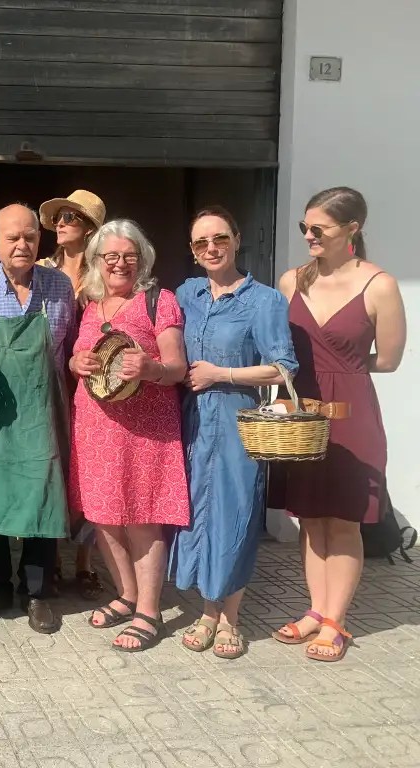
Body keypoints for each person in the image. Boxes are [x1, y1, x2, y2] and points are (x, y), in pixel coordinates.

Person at [271, 187, 405, 662]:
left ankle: (337, 622)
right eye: (304, 227)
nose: (308, 235)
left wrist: (341, 369)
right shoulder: (291, 281)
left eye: (318, 228)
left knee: (344, 520)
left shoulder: (380, 284)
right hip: (302, 414)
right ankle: (315, 610)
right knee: (309, 517)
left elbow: (388, 360)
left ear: (352, 229)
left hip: (352, 413)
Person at [170, 206, 298, 660]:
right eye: (200, 243)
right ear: (192, 250)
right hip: (191, 423)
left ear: (237, 239)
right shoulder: (187, 294)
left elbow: (283, 368)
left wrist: (221, 373)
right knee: (198, 514)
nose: (211, 248)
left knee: (235, 514)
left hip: (237, 422)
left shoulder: (264, 300)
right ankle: (207, 609)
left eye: (219, 238)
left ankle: (231, 617)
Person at [0, 204, 75, 634]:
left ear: (39, 241)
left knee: (42, 496)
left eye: (29, 236)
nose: (22, 244)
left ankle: (37, 592)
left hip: (42, 412)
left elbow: (71, 353)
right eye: (12, 238)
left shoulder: (61, 287)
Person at [69, 219, 189, 652]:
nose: (119, 263)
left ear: (142, 259)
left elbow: (176, 367)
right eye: (111, 256)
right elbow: (79, 357)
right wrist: (75, 364)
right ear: (97, 261)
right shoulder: (91, 304)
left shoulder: (159, 301)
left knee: (141, 517)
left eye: (129, 256)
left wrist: (152, 369)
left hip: (145, 429)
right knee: (102, 515)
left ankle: (149, 612)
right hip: (95, 425)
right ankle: (127, 594)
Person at [37, 189, 108, 600]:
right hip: (52, 381)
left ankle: (84, 563)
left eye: (71, 217)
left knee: (88, 469)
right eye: (59, 217)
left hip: (93, 383)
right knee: (56, 469)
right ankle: (54, 558)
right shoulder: (44, 269)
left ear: (89, 229)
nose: (61, 223)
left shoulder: (102, 274)